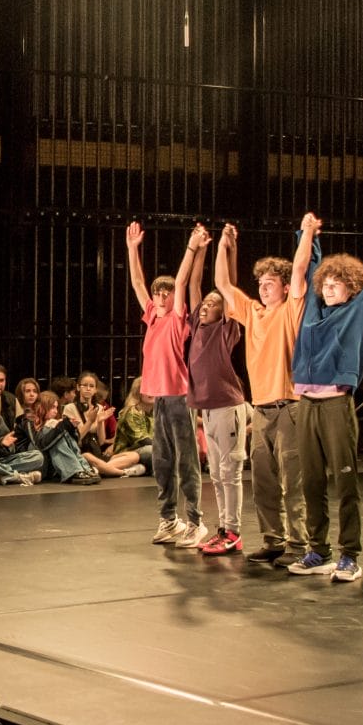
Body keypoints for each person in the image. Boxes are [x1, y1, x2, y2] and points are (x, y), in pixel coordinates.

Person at [284, 219, 363, 583]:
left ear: (352, 288)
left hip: (336, 404)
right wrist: (309, 236)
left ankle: (350, 554)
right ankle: (317, 549)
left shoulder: (360, 309)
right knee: (312, 481)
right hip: (306, 403)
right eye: (327, 283)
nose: (331, 287)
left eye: (339, 283)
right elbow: (309, 265)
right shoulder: (312, 309)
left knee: (346, 482)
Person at [211, 220, 316, 563]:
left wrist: (308, 232)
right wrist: (224, 246)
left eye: (270, 283)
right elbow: (223, 284)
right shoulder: (253, 313)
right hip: (261, 409)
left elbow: (300, 269)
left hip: (290, 406)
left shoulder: (291, 310)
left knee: (292, 481)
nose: (263, 288)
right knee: (264, 481)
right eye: (260, 283)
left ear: (285, 288)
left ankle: (299, 545)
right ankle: (274, 540)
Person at [125, 222, 205, 545]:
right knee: (162, 461)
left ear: (174, 298)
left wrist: (191, 246)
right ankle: (168, 519)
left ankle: (195, 521)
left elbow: (184, 279)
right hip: (159, 399)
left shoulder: (176, 320)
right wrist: (132, 249)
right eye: (158, 292)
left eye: (166, 292)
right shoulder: (152, 317)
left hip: (179, 398)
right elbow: (137, 281)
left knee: (186, 461)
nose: (159, 295)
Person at [185, 273, 251, 558]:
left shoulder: (225, 331)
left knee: (230, 472)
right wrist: (196, 249)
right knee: (215, 473)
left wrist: (228, 248)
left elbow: (230, 289)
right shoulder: (197, 327)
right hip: (209, 411)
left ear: (224, 312)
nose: (204, 306)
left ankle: (234, 532)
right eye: (204, 303)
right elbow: (192, 286)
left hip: (228, 407)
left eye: (212, 304)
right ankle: (223, 529)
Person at [84, 381, 153, 480]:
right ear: (138, 393)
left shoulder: (157, 413)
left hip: (141, 452)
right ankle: (102, 470)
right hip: (128, 452)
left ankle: (122, 471)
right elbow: (143, 440)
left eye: (154, 389)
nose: (151, 392)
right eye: (146, 389)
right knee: (152, 450)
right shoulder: (132, 412)